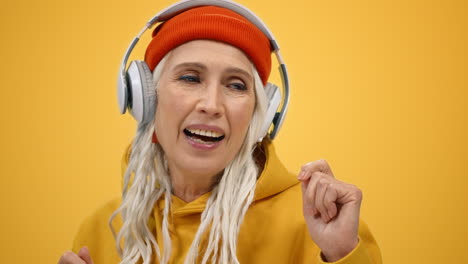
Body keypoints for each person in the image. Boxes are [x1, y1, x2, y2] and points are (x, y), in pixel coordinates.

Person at [58, 0, 381, 263]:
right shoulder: (104, 229)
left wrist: (342, 255)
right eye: (190, 78)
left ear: (261, 112)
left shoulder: (317, 226)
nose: (211, 105)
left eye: (236, 85)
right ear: (145, 98)